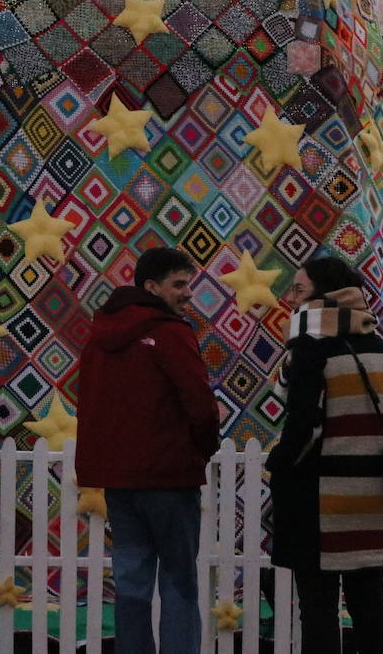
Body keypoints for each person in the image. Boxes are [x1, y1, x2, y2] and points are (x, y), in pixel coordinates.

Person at [75, 247, 219, 654]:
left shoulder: (99, 339)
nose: (188, 293)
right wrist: (203, 448)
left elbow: (90, 403)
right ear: (151, 287)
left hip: (120, 481)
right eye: (179, 284)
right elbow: (199, 402)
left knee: (131, 582)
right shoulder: (171, 333)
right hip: (169, 477)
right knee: (178, 584)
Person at [265, 256, 383, 654]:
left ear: (322, 295)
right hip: (371, 494)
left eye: (299, 290)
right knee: (369, 601)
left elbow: (303, 423)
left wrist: (278, 463)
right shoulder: (382, 349)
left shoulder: (311, 348)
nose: (291, 299)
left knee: (318, 603)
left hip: (319, 496)